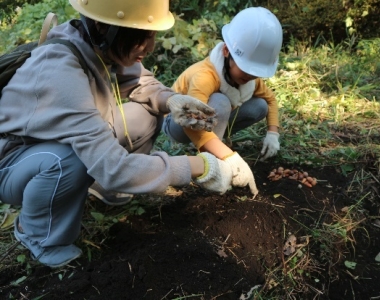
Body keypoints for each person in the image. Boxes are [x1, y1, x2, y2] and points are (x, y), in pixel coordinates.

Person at [0, 0, 256, 268]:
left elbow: (141, 82)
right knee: (69, 160)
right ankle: (37, 234)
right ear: (104, 26)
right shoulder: (60, 70)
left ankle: (104, 188)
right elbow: (116, 167)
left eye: (152, 35)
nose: (150, 47)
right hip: (14, 159)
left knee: (146, 113)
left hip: (63, 139)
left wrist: (171, 101)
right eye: (142, 37)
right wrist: (203, 165)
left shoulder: (97, 44)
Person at [162, 6, 282, 191]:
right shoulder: (205, 75)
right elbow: (192, 122)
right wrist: (228, 157)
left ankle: (215, 145)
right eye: (246, 68)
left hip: (209, 120)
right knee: (220, 101)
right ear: (227, 51)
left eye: (255, 72)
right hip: (178, 123)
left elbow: (271, 100)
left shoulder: (249, 79)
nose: (251, 76)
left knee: (260, 105)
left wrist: (273, 134)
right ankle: (212, 161)